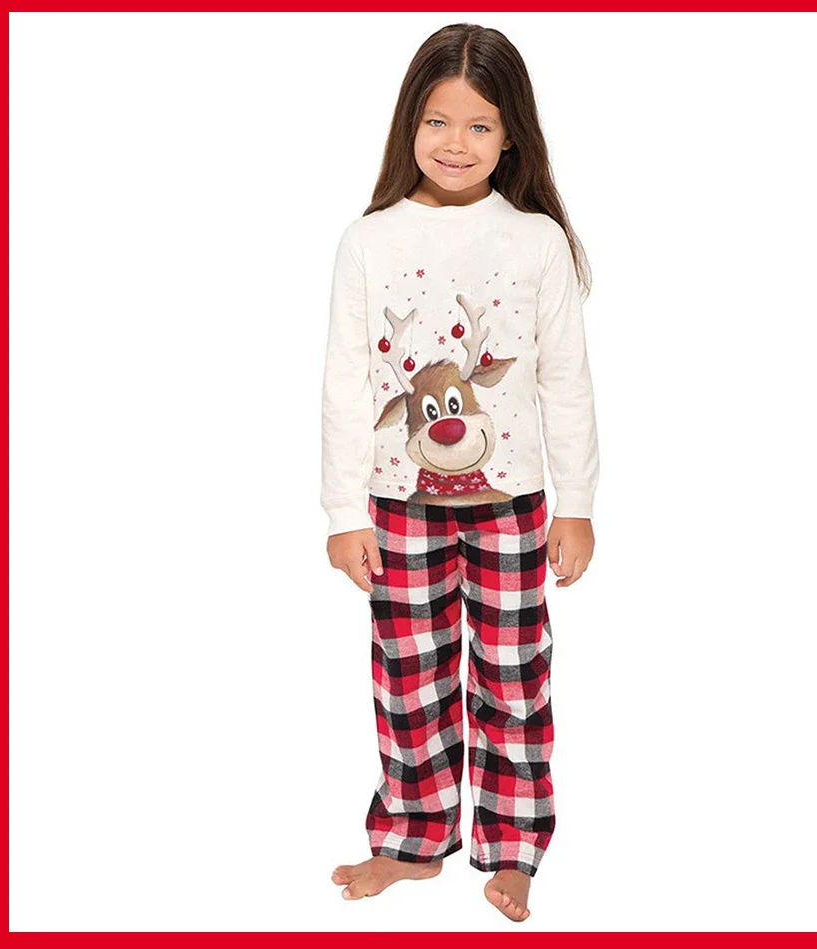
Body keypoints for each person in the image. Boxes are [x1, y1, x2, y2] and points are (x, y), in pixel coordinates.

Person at [320, 22, 599, 923]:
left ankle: (512, 846)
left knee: (513, 675)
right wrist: (342, 510)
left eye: (479, 125)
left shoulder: (537, 241)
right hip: (397, 506)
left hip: (512, 504)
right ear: (410, 121)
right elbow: (345, 383)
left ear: (511, 135)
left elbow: (565, 380)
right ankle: (412, 837)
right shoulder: (368, 241)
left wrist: (577, 503)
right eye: (438, 120)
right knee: (411, 677)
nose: (455, 142)